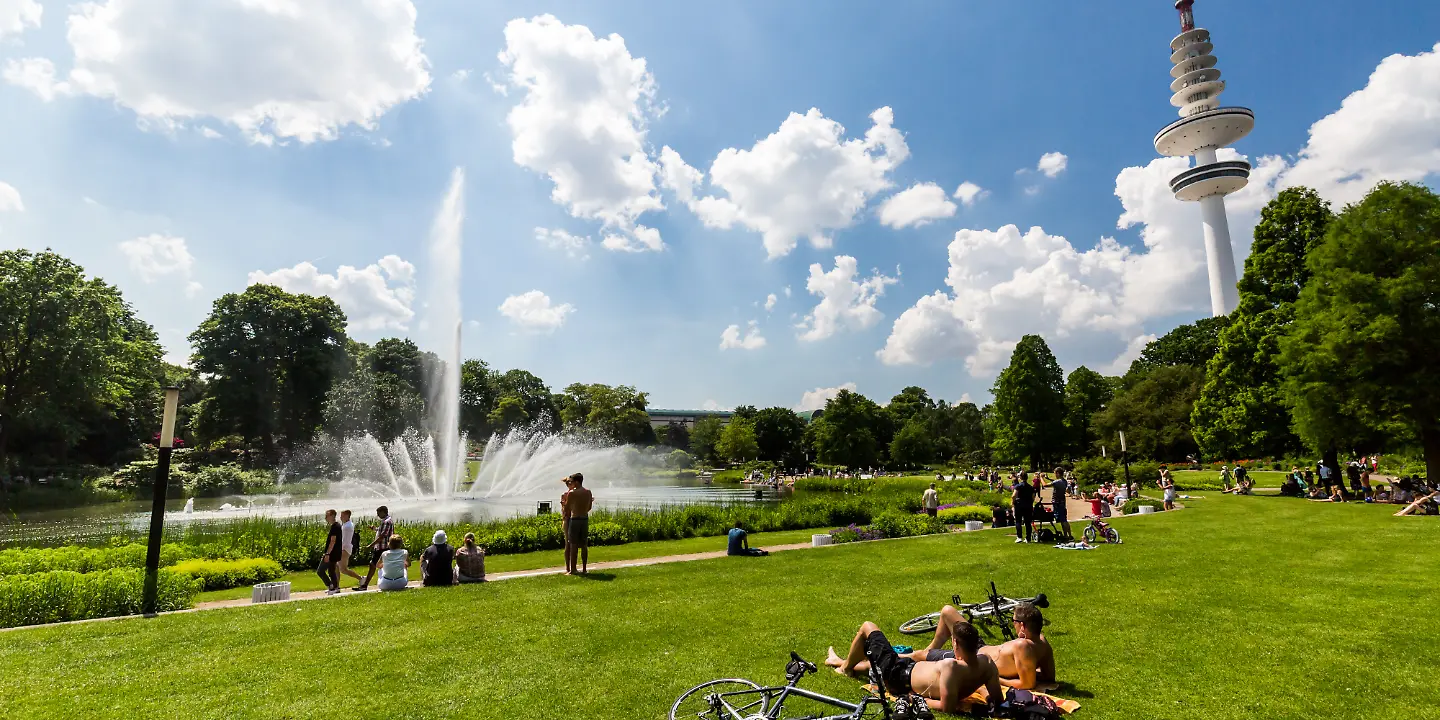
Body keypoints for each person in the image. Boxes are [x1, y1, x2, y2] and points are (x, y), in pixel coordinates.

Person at [824, 620, 1001, 715]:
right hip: (906, 667)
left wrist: (911, 698)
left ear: (955, 643)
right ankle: (841, 662)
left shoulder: (951, 667)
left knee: (867, 627)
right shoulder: (987, 663)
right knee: (878, 658)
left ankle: (845, 668)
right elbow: (998, 699)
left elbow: (947, 707)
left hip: (897, 676)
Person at [979, 603, 1056, 690]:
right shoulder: (1042, 642)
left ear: (1022, 625)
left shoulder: (1022, 646)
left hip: (975, 653)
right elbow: (1049, 677)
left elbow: (1027, 684)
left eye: (1014, 621)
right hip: (978, 648)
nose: (1013, 625)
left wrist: (996, 679)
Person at [357, 505, 395, 591]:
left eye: (379, 513)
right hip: (381, 547)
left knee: (373, 564)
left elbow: (382, 536)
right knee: (379, 565)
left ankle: (365, 585)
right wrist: (375, 529)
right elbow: (382, 531)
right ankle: (366, 585)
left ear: (383, 512)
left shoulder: (386, 522)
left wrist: (370, 545)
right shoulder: (386, 521)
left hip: (383, 547)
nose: (378, 515)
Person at [563, 472, 593, 575]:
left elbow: (567, 508)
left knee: (573, 545)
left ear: (576, 482)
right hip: (585, 519)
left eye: (572, 481)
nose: (571, 483)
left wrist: (565, 504)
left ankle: (573, 569)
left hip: (575, 519)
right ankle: (584, 569)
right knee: (584, 544)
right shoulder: (588, 492)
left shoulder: (572, 493)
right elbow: (589, 507)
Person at [317, 509, 342, 595]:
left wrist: (327, 553)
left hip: (332, 553)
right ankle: (333, 587)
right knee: (330, 570)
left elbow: (333, 541)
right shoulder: (335, 526)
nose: (325, 518)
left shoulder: (335, 526)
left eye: (327, 516)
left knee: (322, 570)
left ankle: (334, 587)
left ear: (332, 516)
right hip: (333, 552)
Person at [337, 509, 363, 586]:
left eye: (342, 516)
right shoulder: (346, 525)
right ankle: (336, 585)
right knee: (337, 567)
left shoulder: (347, 526)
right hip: (345, 548)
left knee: (343, 569)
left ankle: (361, 578)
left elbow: (344, 540)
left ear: (347, 516)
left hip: (344, 549)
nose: (340, 517)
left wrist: (340, 549)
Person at [1012, 472, 1034, 544]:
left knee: (1018, 521)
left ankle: (1019, 537)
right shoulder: (1030, 487)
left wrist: (1013, 502)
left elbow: (1014, 495)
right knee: (1028, 522)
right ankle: (1028, 538)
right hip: (1028, 505)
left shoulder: (1018, 486)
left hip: (1019, 505)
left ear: (1020, 478)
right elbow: (1033, 497)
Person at [1049, 468, 1070, 540]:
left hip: (1057, 503)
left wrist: (1041, 478)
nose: (1054, 475)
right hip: (1062, 502)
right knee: (1064, 519)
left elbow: (1045, 485)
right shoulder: (1064, 481)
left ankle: (1066, 536)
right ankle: (1068, 535)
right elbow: (1054, 482)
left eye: (1055, 473)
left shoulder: (1058, 481)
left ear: (1058, 473)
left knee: (1062, 520)